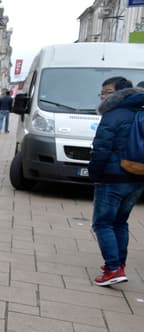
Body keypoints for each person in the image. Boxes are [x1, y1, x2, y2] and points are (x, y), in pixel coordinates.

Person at [88, 76, 144, 286]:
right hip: (138, 177)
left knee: (103, 223)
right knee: (120, 222)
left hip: (113, 177)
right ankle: (118, 264)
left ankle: (113, 268)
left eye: (107, 92)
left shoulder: (114, 114)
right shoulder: (140, 111)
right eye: (102, 92)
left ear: (120, 93)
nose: (103, 96)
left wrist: (95, 174)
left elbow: (101, 147)